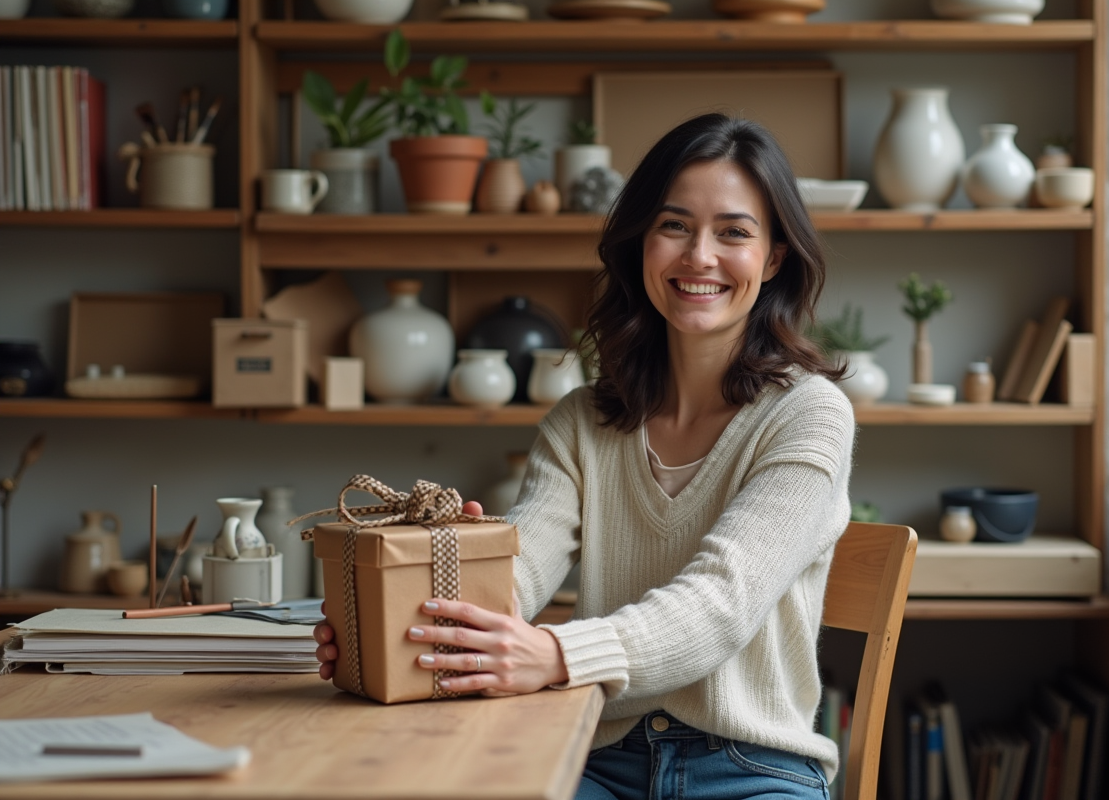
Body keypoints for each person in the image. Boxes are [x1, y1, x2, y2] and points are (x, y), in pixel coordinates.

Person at [314, 112, 855, 800]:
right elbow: (517, 574)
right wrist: (394, 627)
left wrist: (556, 652)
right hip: (592, 756)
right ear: (641, 244)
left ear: (774, 257)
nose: (699, 256)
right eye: (674, 225)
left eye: (734, 232)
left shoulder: (808, 415)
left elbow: (724, 602)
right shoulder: (580, 423)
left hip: (752, 769)